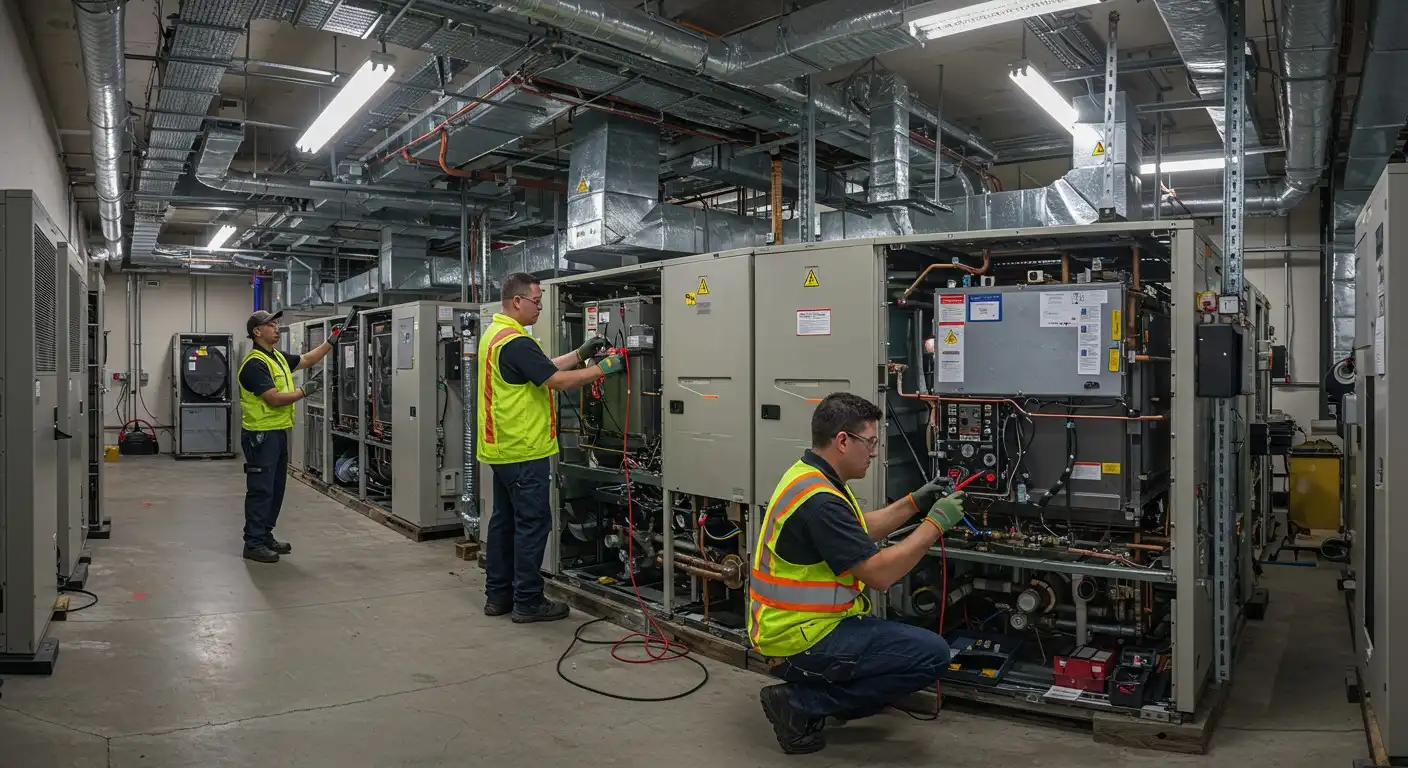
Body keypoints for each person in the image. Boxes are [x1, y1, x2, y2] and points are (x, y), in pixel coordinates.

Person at [749, 391, 968, 755]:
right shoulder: (820, 502)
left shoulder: (809, 476)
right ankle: (800, 702)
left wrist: (915, 502)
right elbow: (879, 575)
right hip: (801, 639)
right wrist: (935, 525)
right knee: (932, 655)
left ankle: (821, 697)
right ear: (842, 441)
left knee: (893, 663)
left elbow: (858, 530)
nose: (874, 452)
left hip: (798, 627)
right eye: (870, 442)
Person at [478, 272, 624, 623]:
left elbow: (540, 369)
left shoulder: (497, 336)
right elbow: (555, 381)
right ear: (517, 301)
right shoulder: (515, 341)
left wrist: (580, 354)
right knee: (532, 524)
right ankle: (528, 601)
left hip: (502, 450)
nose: (540, 307)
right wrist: (602, 369)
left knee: (504, 523)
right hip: (524, 450)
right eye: (536, 301)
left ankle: (498, 596)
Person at [237, 308, 347, 563]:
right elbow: (274, 398)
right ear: (257, 331)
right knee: (261, 490)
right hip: (260, 435)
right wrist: (303, 392)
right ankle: (252, 543)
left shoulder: (274, 357)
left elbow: (307, 359)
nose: (277, 328)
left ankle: (265, 535)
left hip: (276, 433)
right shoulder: (255, 363)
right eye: (271, 324)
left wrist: (331, 340)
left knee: (276, 488)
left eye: (276, 324)